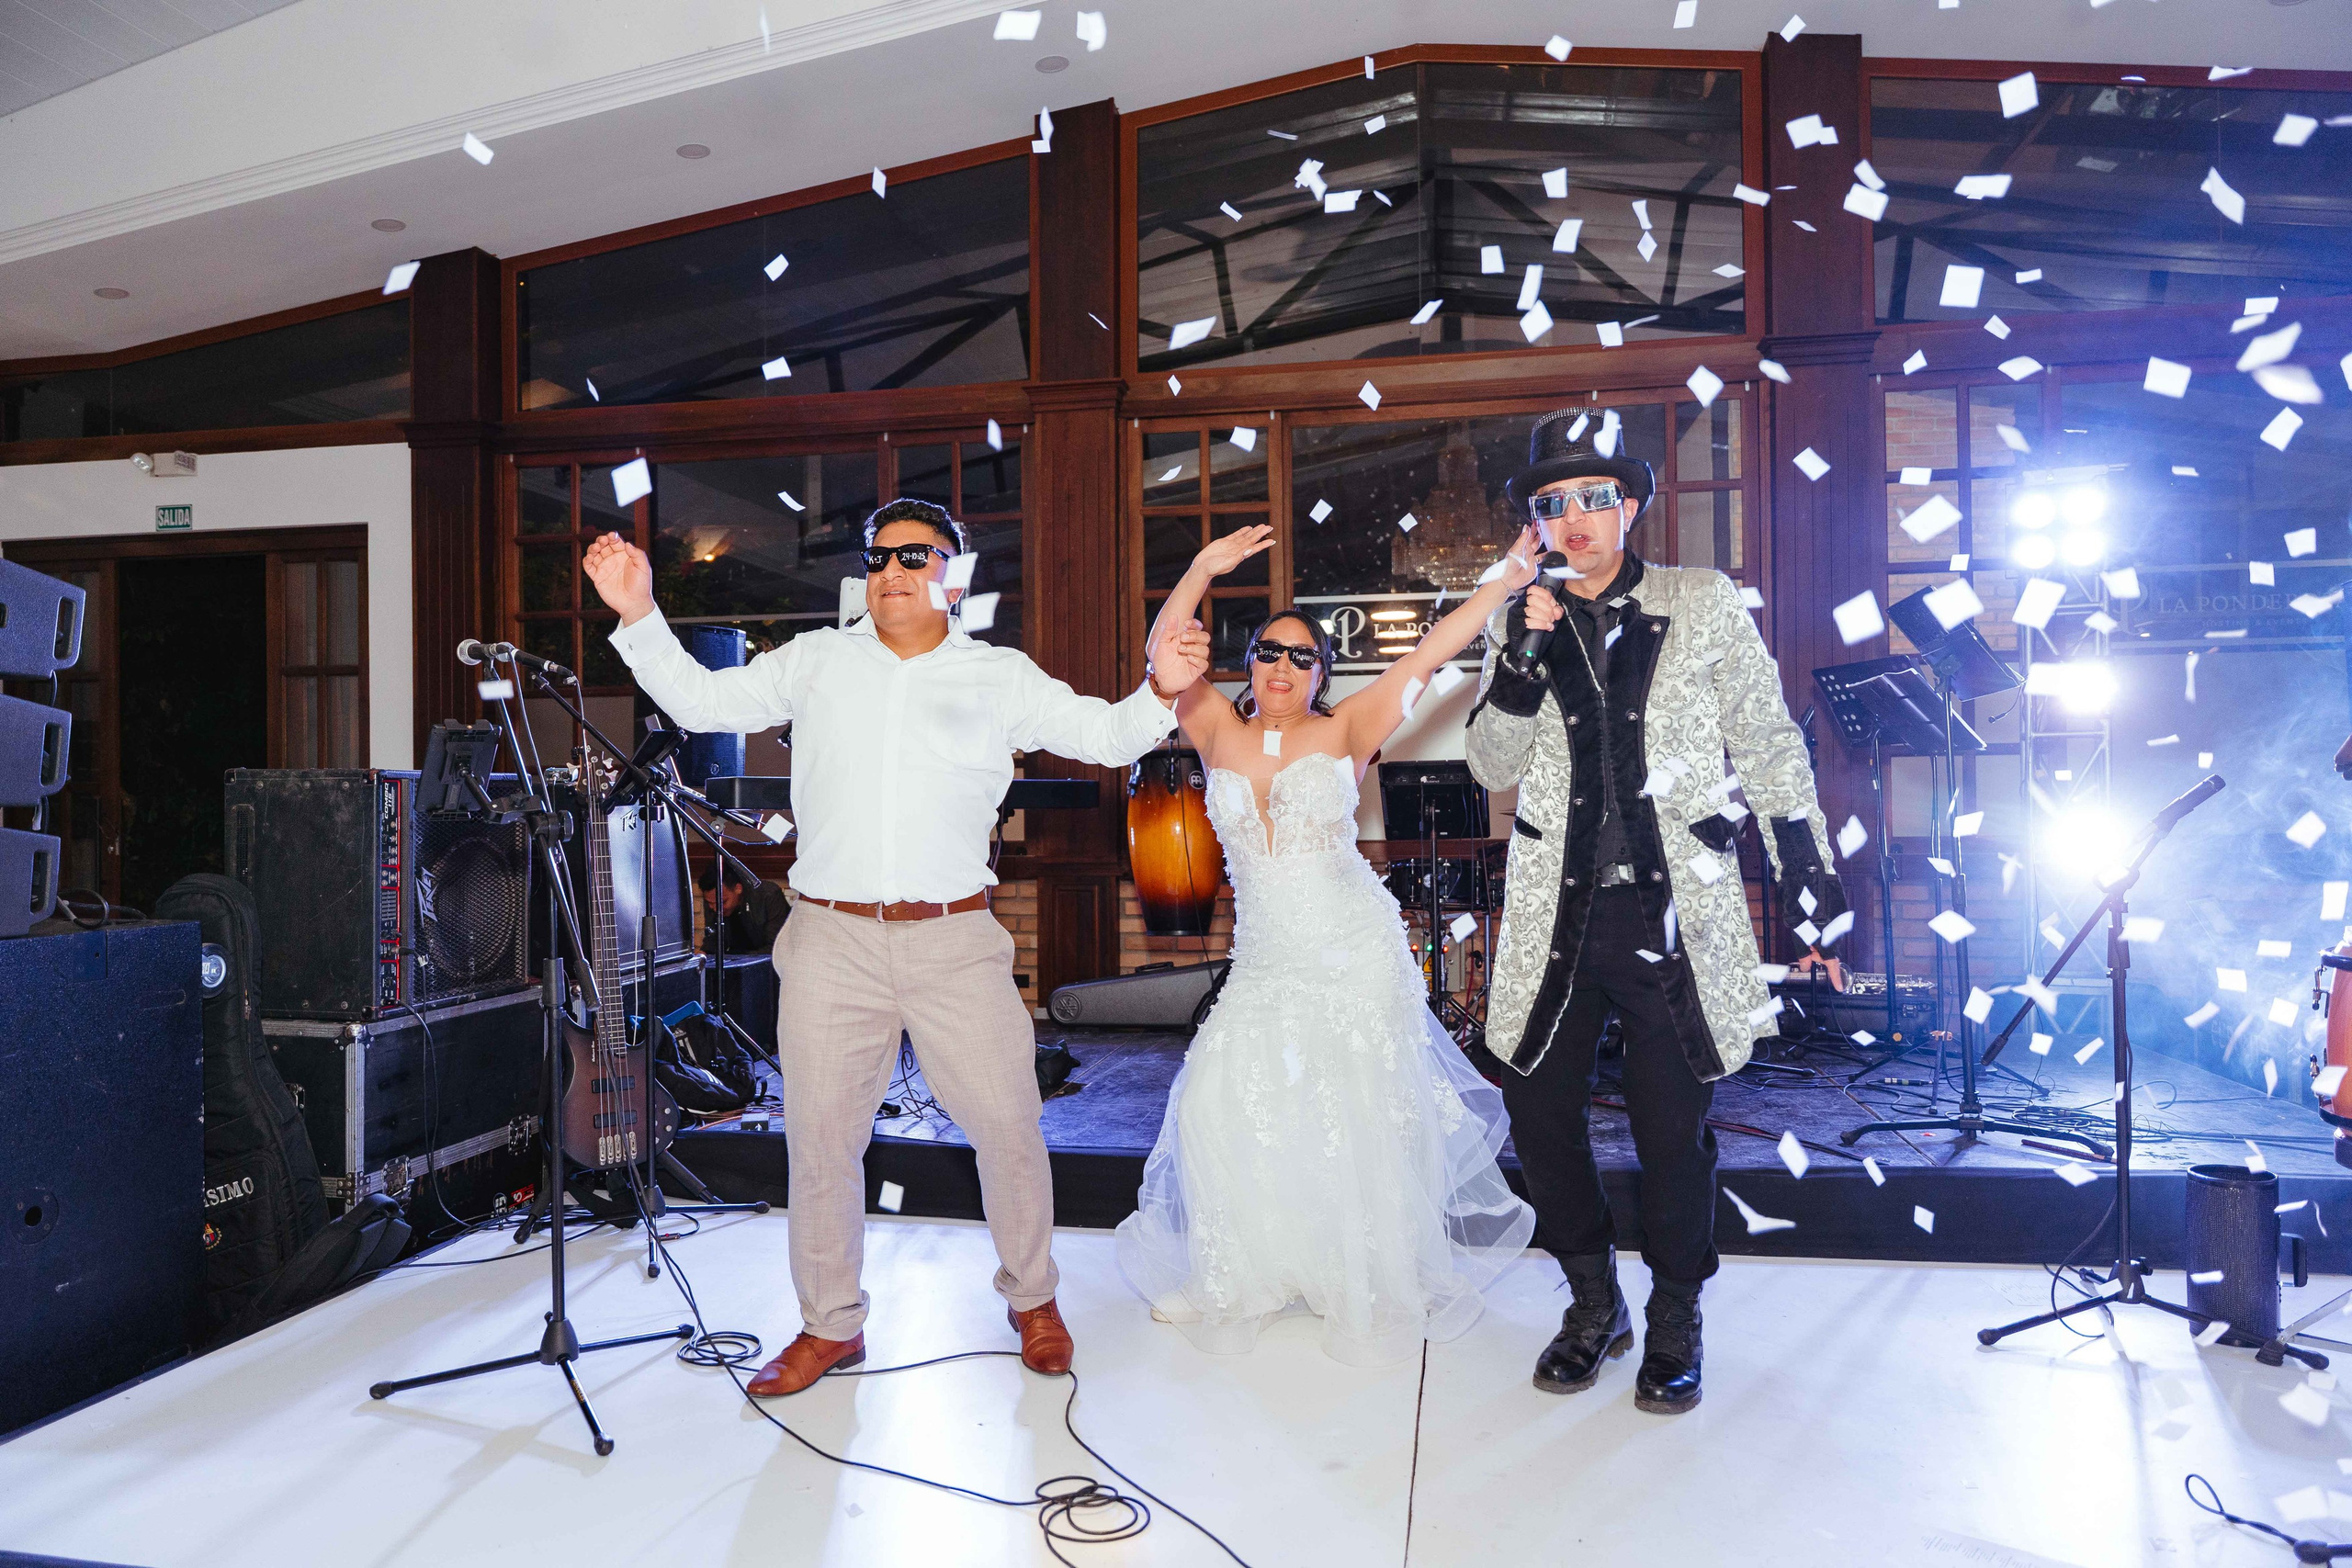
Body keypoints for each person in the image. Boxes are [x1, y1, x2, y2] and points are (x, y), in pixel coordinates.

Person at [582, 498, 1213, 1395]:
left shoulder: (997, 678)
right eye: (878, 556)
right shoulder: (818, 663)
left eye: (914, 557)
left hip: (954, 940)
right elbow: (701, 701)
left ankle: (1032, 1299)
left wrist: (1162, 689)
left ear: (951, 576)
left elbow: (1105, 736)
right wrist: (637, 612)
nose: (890, 570)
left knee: (1007, 1125)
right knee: (822, 1141)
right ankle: (829, 1327)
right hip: (831, 940)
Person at [1464, 412, 1847, 1415]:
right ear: (1539, 523)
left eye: (1595, 496)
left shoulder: (1701, 599)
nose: (1575, 518)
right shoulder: (1518, 617)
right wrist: (1517, 662)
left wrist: (1812, 897)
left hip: (1674, 917)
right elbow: (1488, 768)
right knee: (1539, 1118)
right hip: (1557, 914)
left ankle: (1675, 1310)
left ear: (1630, 506)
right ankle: (1594, 1301)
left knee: (1670, 1132)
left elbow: (1766, 743)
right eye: (1553, 503)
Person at [1114, 523, 1539, 1366]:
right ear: (1249, 663)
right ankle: (1241, 1274)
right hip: (1268, 958)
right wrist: (1201, 565)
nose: (1281, 667)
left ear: (1321, 673)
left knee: (1347, 1113)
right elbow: (1165, 653)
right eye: (1269, 651)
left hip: (1352, 950)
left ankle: (1351, 1269)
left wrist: (1504, 580)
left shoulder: (1348, 727)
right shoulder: (1211, 728)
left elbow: (1427, 655)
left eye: (1301, 657)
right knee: (1220, 1101)